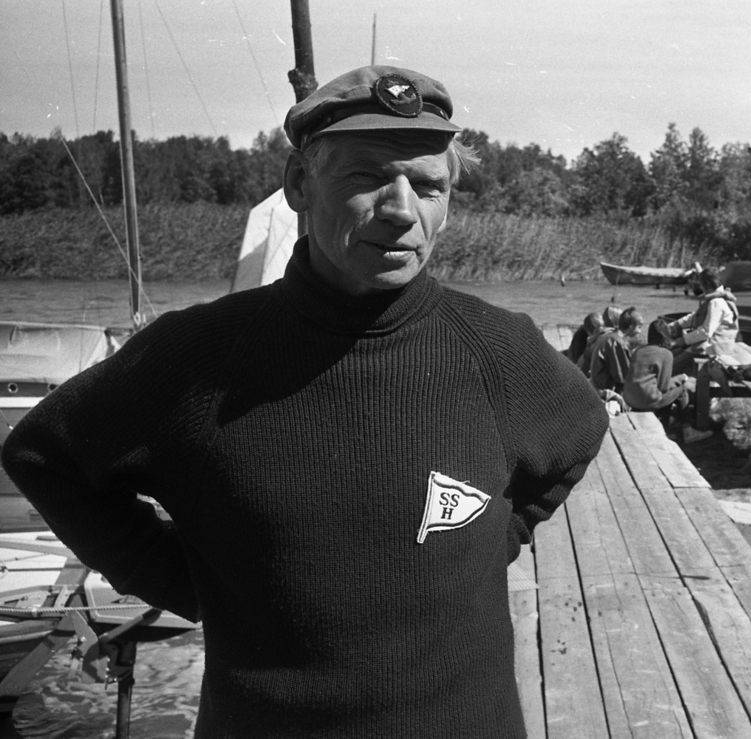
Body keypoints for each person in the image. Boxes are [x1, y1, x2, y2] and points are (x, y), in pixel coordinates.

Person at [1, 65, 609, 739]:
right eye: (367, 176)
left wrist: (496, 537)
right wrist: (189, 580)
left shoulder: (498, 350)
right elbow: (44, 456)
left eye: (428, 185)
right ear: (298, 184)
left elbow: (580, 429)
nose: (402, 208)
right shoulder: (199, 356)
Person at [669, 267, 740, 374]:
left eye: (701, 284)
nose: (700, 287)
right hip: (706, 345)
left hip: (712, 350)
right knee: (671, 354)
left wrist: (683, 340)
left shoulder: (716, 303)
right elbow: (695, 316)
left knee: (670, 366)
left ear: (706, 285)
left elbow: (706, 332)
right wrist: (676, 324)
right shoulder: (716, 299)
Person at [623, 318, 690, 424]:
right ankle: (687, 428)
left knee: (662, 395)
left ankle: (664, 424)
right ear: (666, 335)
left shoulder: (638, 351)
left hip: (629, 398)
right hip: (647, 400)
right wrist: (680, 378)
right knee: (681, 389)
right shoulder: (666, 354)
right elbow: (664, 387)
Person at [590, 306, 642, 394]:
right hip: (606, 390)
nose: (640, 332)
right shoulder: (616, 342)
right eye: (639, 327)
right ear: (631, 326)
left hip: (598, 386)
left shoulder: (608, 337)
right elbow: (623, 376)